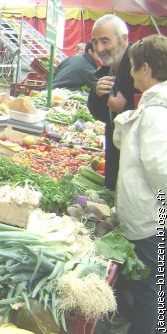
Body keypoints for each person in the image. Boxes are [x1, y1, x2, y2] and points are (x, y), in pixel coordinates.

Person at [113, 34, 167, 334]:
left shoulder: (157, 114)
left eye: (132, 67)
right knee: (151, 286)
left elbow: (161, 168)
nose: (130, 73)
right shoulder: (152, 109)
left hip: (152, 219)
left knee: (153, 292)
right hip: (150, 218)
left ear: (146, 69)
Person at [87, 14, 138, 190]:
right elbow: (102, 115)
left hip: (137, 169)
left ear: (123, 40)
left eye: (105, 41)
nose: (99, 48)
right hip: (116, 158)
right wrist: (96, 93)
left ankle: (163, 218)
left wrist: (125, 109)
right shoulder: (108, 70)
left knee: (160, 211)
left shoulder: (138, 67)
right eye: (95, 42)